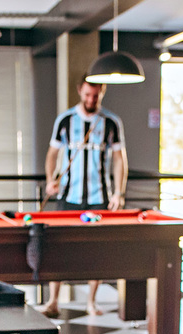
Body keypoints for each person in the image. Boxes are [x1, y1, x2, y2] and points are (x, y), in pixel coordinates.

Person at [40, 76, 127, 317]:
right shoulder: (65, 120)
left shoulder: (111, 122)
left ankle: (91, 302)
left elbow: (120, 159)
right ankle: (53, 302)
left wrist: (118, 192)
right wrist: (50, 180)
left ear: (102, 92)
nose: (91, 99)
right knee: (58, 249)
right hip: (68, 196)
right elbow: (52, 154)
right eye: (87, 94)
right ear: (80, 91)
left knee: (96, 250)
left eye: (95, 95)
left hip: (99, 197)